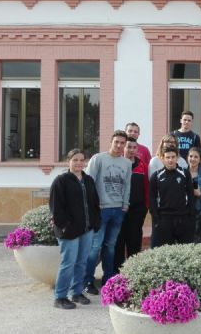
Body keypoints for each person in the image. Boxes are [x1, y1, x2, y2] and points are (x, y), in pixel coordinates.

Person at [50, 149, 101, 309]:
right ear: (68, 161)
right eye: (75, 160)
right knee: (68, 263)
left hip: (86, 229)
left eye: (81, 160)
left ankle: (77, 292)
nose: (79, 163)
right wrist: (65, 226)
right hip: (69, 231)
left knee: (81, 262)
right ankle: (60, 297)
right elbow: (56, 208)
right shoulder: (61, 181)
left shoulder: (88, 180)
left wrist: (95, 222)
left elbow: (94, 203)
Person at [84, 130, 132, 295]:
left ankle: (108, 279)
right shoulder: (98, 159)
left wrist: (125, 205)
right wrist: (94, 206)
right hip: (101, 210)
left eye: (122, 143)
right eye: (116, 142)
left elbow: (127, 185)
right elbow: (88, 183)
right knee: (95, 246)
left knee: (110, 247)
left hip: (118, 209)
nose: (119, 146)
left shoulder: (126, 163)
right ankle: (87, 280)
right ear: (110, 142)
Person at [113, 137, 149, 273]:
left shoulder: (143, 166)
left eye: (134, 148)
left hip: (137, 211)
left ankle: (133, 272)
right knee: (118, 242)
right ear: (124, 148)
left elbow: (146, 187)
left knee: (134, 241)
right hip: (119, 209)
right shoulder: (117, 164)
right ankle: (117, 273)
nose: (132, 150)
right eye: (129, 147)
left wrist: (145, 207)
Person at [149, 146, 195, 246]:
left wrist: (190, 217)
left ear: (177, 157)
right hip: (164, 219)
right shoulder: (156, 176)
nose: (170, 160)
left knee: (186, 252)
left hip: (182, 218)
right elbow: (152, 199)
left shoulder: (185, 173)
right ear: (162, 158)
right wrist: (156, 219)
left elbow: (190, 195)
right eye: (168, 157)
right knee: (161, 252)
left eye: (173, 157)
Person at [187, 147, 201, 242]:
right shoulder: (181, 173)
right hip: (183, 212)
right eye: (191, 156)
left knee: (196, 240)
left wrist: (200, 194)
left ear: (200, 159)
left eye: (196, 157)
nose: (193, 159)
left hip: (198, 213)